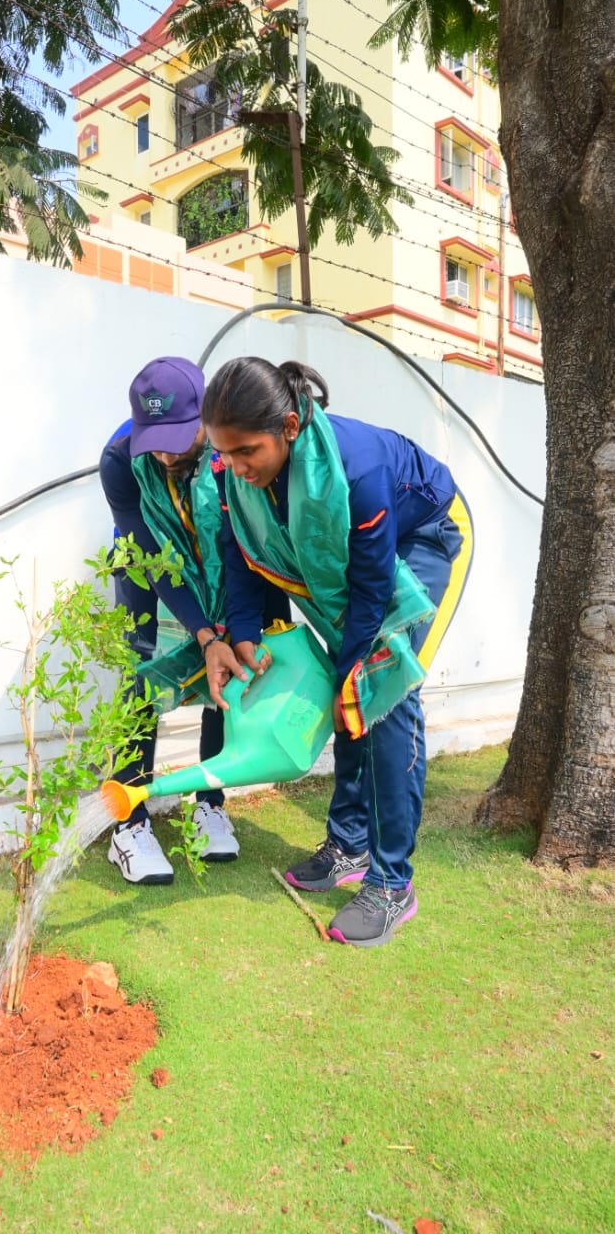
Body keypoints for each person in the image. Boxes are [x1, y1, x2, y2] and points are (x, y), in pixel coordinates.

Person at [201, 357, 474, 947]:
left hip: (425, 533)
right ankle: (348, 844)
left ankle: (391, 882)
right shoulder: (236, 475)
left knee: (381, 696)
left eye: (248, 451)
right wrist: (243, 630)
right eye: (225, 455)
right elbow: (237, 550)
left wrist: (358, 668)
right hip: (359, 565)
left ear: (290, 427)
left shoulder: (355, 467)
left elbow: (373, 587)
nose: (236, 467)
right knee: (344, 690)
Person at [99, 355, 288, 886]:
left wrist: (221, 633)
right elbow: (151, 554)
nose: (162, 451)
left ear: (205, 418)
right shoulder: (120, 460)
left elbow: (239, 543)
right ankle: (128, 824)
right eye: (152, 437)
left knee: (228, 664)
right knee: (142, 673)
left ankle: (208, 802)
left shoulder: (232, 453)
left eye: (177, 436)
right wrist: (201, 633)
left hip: (226, 557)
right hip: (149, 566)